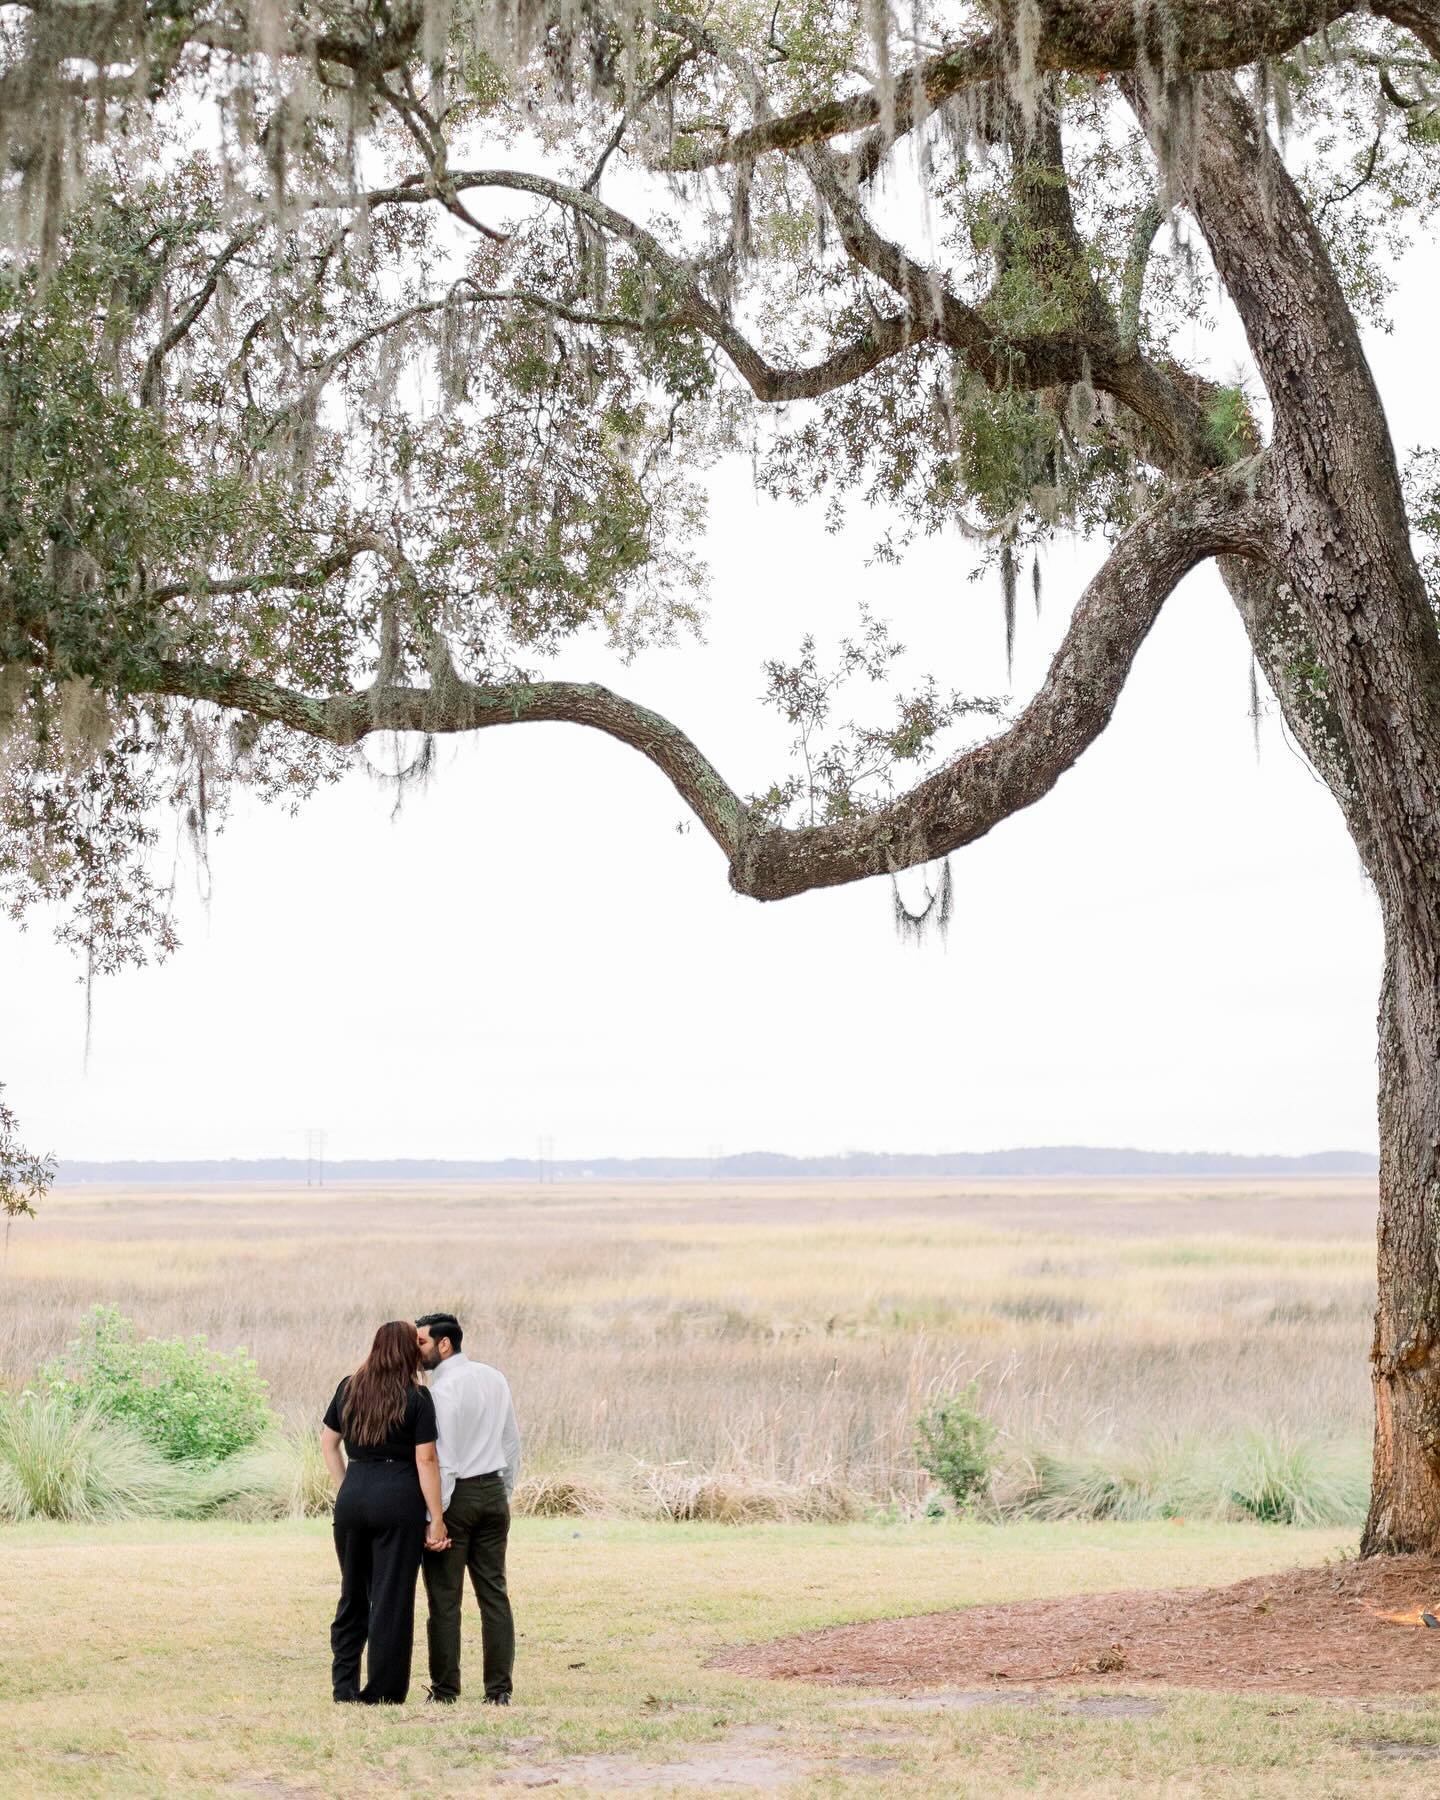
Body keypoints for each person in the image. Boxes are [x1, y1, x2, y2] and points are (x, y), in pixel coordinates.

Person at [320, 1320, 450, 1704]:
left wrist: (346, 1487)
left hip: (354, 1497)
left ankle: (343, 1687)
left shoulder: (349, 1387)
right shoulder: (417, 1397)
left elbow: (329, 1444)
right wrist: (437, 1519)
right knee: (391, 1598)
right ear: (406, 1351)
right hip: (398, 1500)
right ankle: (382, 1691)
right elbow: (425, 1459)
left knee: (353, 1594)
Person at [415, 1311, 521, 1705]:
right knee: (494, 1593)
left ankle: (445, 1691)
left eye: (422, 1343)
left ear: (445, 1343)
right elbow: (512, 1443)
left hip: (457, 1496)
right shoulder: (494, 1377)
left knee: (444, 1598)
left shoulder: (441, 1392)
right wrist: (502, 1492)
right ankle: (499, 1691)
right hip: (493, 1491)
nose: (417, 1353)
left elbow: (445, 1461)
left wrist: (436, 1519)